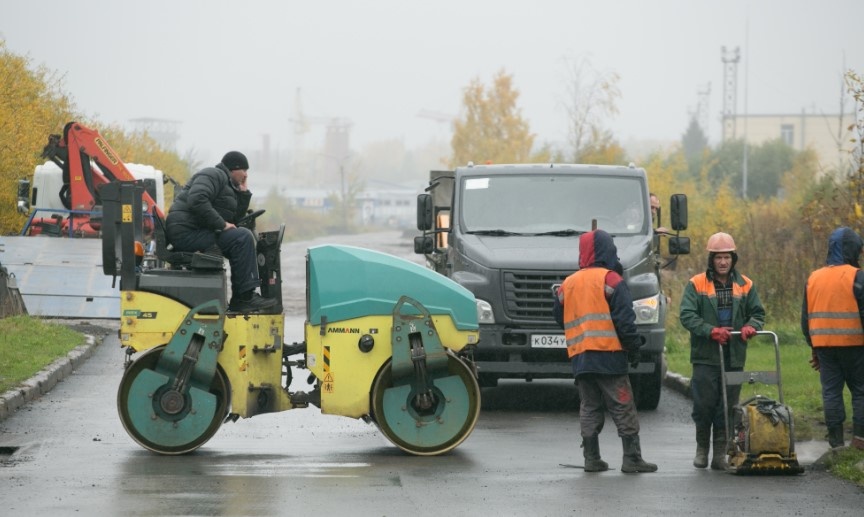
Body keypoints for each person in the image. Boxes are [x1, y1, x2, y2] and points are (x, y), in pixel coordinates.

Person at [553, 229, 657, 473]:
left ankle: (592, 458)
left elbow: (559, 317)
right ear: (607, 250)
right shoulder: (611, 280)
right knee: (622, 405)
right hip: (609, 355)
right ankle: (632, 458)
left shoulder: (568, 284)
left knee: (589, 406)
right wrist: (633, 349)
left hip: (580, 357)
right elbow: (625, 320)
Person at [679, 232, 765, 470]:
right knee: (704, 404)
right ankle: (702, 449)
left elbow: (758, 314)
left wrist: (751, 326)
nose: (723, 262)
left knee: (727, 406)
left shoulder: (746, 284)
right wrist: (710, 331)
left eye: (727, 257)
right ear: (711, 260)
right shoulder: (696, 284)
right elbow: (687, 315)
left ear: (733, 258)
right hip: (706, 356)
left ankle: (720, 453)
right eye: (718, 258)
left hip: (734, 356)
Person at [166, 151, 276, 313]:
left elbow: (234, 220)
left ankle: (243, 296)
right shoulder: (213, 174)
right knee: (242, 237)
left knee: (240, 234)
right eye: (244, 170)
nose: (246, 175)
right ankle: (244, 297)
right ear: (233, 168)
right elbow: (197, 199)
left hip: (197, 232)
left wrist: (243, 193)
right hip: (186, 232)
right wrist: (222, 224)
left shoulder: (228, 186)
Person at [801, 227, 864, 450]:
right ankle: (859, 441)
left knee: (831, 393)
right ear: (853, 249)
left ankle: (836, 443)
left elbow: (805, 320)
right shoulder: (858, 276)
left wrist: (814, 349)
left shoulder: (814, 278)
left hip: (825, 348)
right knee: (860, 391)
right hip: (856, 347)